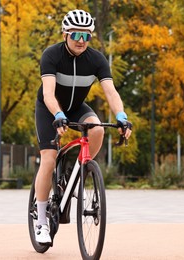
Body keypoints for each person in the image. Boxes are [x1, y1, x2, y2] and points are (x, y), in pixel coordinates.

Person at [34, 9, 132, 244]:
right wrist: (57, 114)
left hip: (77, 107)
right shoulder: (52, 55)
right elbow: (48, 93)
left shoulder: (96, 59)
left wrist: (121, 116)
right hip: (50, 109)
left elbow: (110, 90)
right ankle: (41, 221)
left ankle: (78, 171)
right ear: (65, 33)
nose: (81, 40)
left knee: (97, 128)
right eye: (76, 35)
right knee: (49, 158)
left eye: (86, 36)